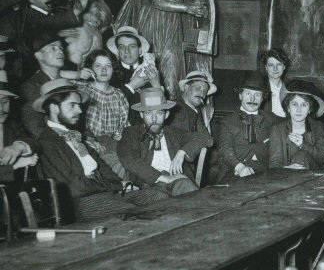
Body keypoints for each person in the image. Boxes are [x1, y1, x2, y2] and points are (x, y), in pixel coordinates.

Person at [34, 79, 163, 221]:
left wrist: (119, 184)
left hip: (105, 193)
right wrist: (115, 186)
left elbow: (101, 166)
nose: (79, 110)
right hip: (82, 202)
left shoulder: (76, 135)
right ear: (53, 107)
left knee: (158, 197)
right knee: (133, 214)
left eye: (79, 105)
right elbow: (76, 187)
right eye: (72, 105)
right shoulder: (47, 142)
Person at [117, 88, 212, 198]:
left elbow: (205, 138)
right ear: (141, 115)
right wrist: (162, 178)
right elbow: (129, 159)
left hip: (177, 182)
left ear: (166, 115)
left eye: (159, 113)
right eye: (148, 113)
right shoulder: (132, 133)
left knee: (191, 193)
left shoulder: (173, 133)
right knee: (159, 198)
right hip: (147, 184)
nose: (154, 118)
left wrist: (182, 152)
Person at [74, 50, 130, 179]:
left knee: (127, 157)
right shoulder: (83, 92)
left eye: (108, 66)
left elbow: (122, 127)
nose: (104, 70)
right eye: (98, 66)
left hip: (112, 142)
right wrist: (88, 139)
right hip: (86, 141)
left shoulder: (118, 95)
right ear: (90, 69)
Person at [212, 71, 277, 181]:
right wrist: (240, 167)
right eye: (248, 94)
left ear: (262, 98)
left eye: (257, 95)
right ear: (240, 95)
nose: (252, 99)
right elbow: (225, 150)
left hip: (265, 173)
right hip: (234, 172)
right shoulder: (227, 122)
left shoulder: (271, 119)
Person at [105, 25, 160, 125]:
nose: (127, 51)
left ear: (140, 51)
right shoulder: (109, 75)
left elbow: (159, 109)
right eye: (122, 47)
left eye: (132, 46)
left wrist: (156, 85)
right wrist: (131, 87)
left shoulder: (151, 72)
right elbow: (106, 106)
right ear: (117, 52)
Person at [269, 79, 324, 170]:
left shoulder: (318, 127)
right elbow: (274, 163)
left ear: (310, 109)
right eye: (294, 104)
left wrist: (303, 144)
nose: (298, 109)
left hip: (314, 177)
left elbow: (322, 157)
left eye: (304, 105)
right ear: (288, 108)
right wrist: (287, 169)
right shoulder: (277, 129)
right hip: (287, 179)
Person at [20, 33, 67, 138]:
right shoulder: (31, 86)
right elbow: (35, 127)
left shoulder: (66, 83)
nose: (60, 51)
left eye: (61, 48)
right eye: (53, 48)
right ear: (39, 56)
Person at [0, 82, 38, 182]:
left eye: (4, 102)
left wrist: (20, 146)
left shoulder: (11, 125)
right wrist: (16, 165)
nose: (1, 109)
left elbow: (34, 143)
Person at [170, 70, 215, 138]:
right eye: (198, 88)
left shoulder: (197, 111)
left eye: (205, 91)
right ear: (186, 87)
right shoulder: (175, 108)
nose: (202, 93)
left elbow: (206, 137)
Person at [258, 48, 290, 118]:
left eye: (278, 64)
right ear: (266, 67)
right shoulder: (260, 86)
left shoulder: (290, 87)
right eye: (271, 65)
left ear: (284, 66)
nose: (275, 68)